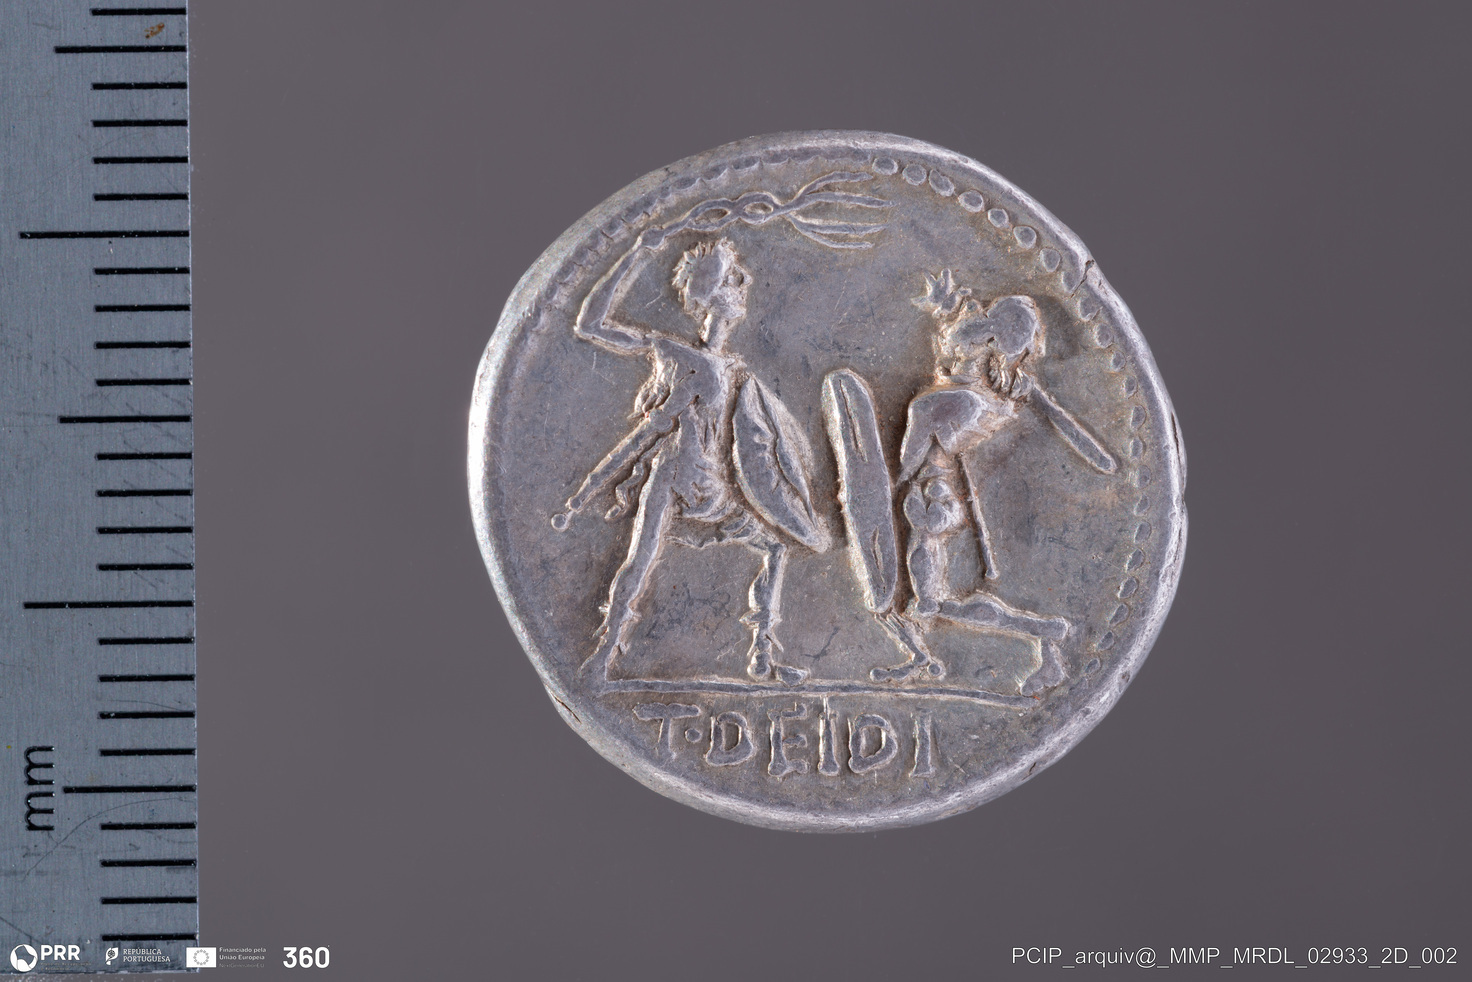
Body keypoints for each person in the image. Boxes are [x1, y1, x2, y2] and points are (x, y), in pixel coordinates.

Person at [553, 229, 813, 685]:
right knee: (639, 559)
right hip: (675, 475)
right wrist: (636, 254)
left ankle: (761, 658)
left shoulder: (734, 367)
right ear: (710, 294)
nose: (744, 280)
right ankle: (604, 654)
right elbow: (591, 325)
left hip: (716, 486)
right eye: (732, 277)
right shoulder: (673, 352)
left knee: (774, 544)